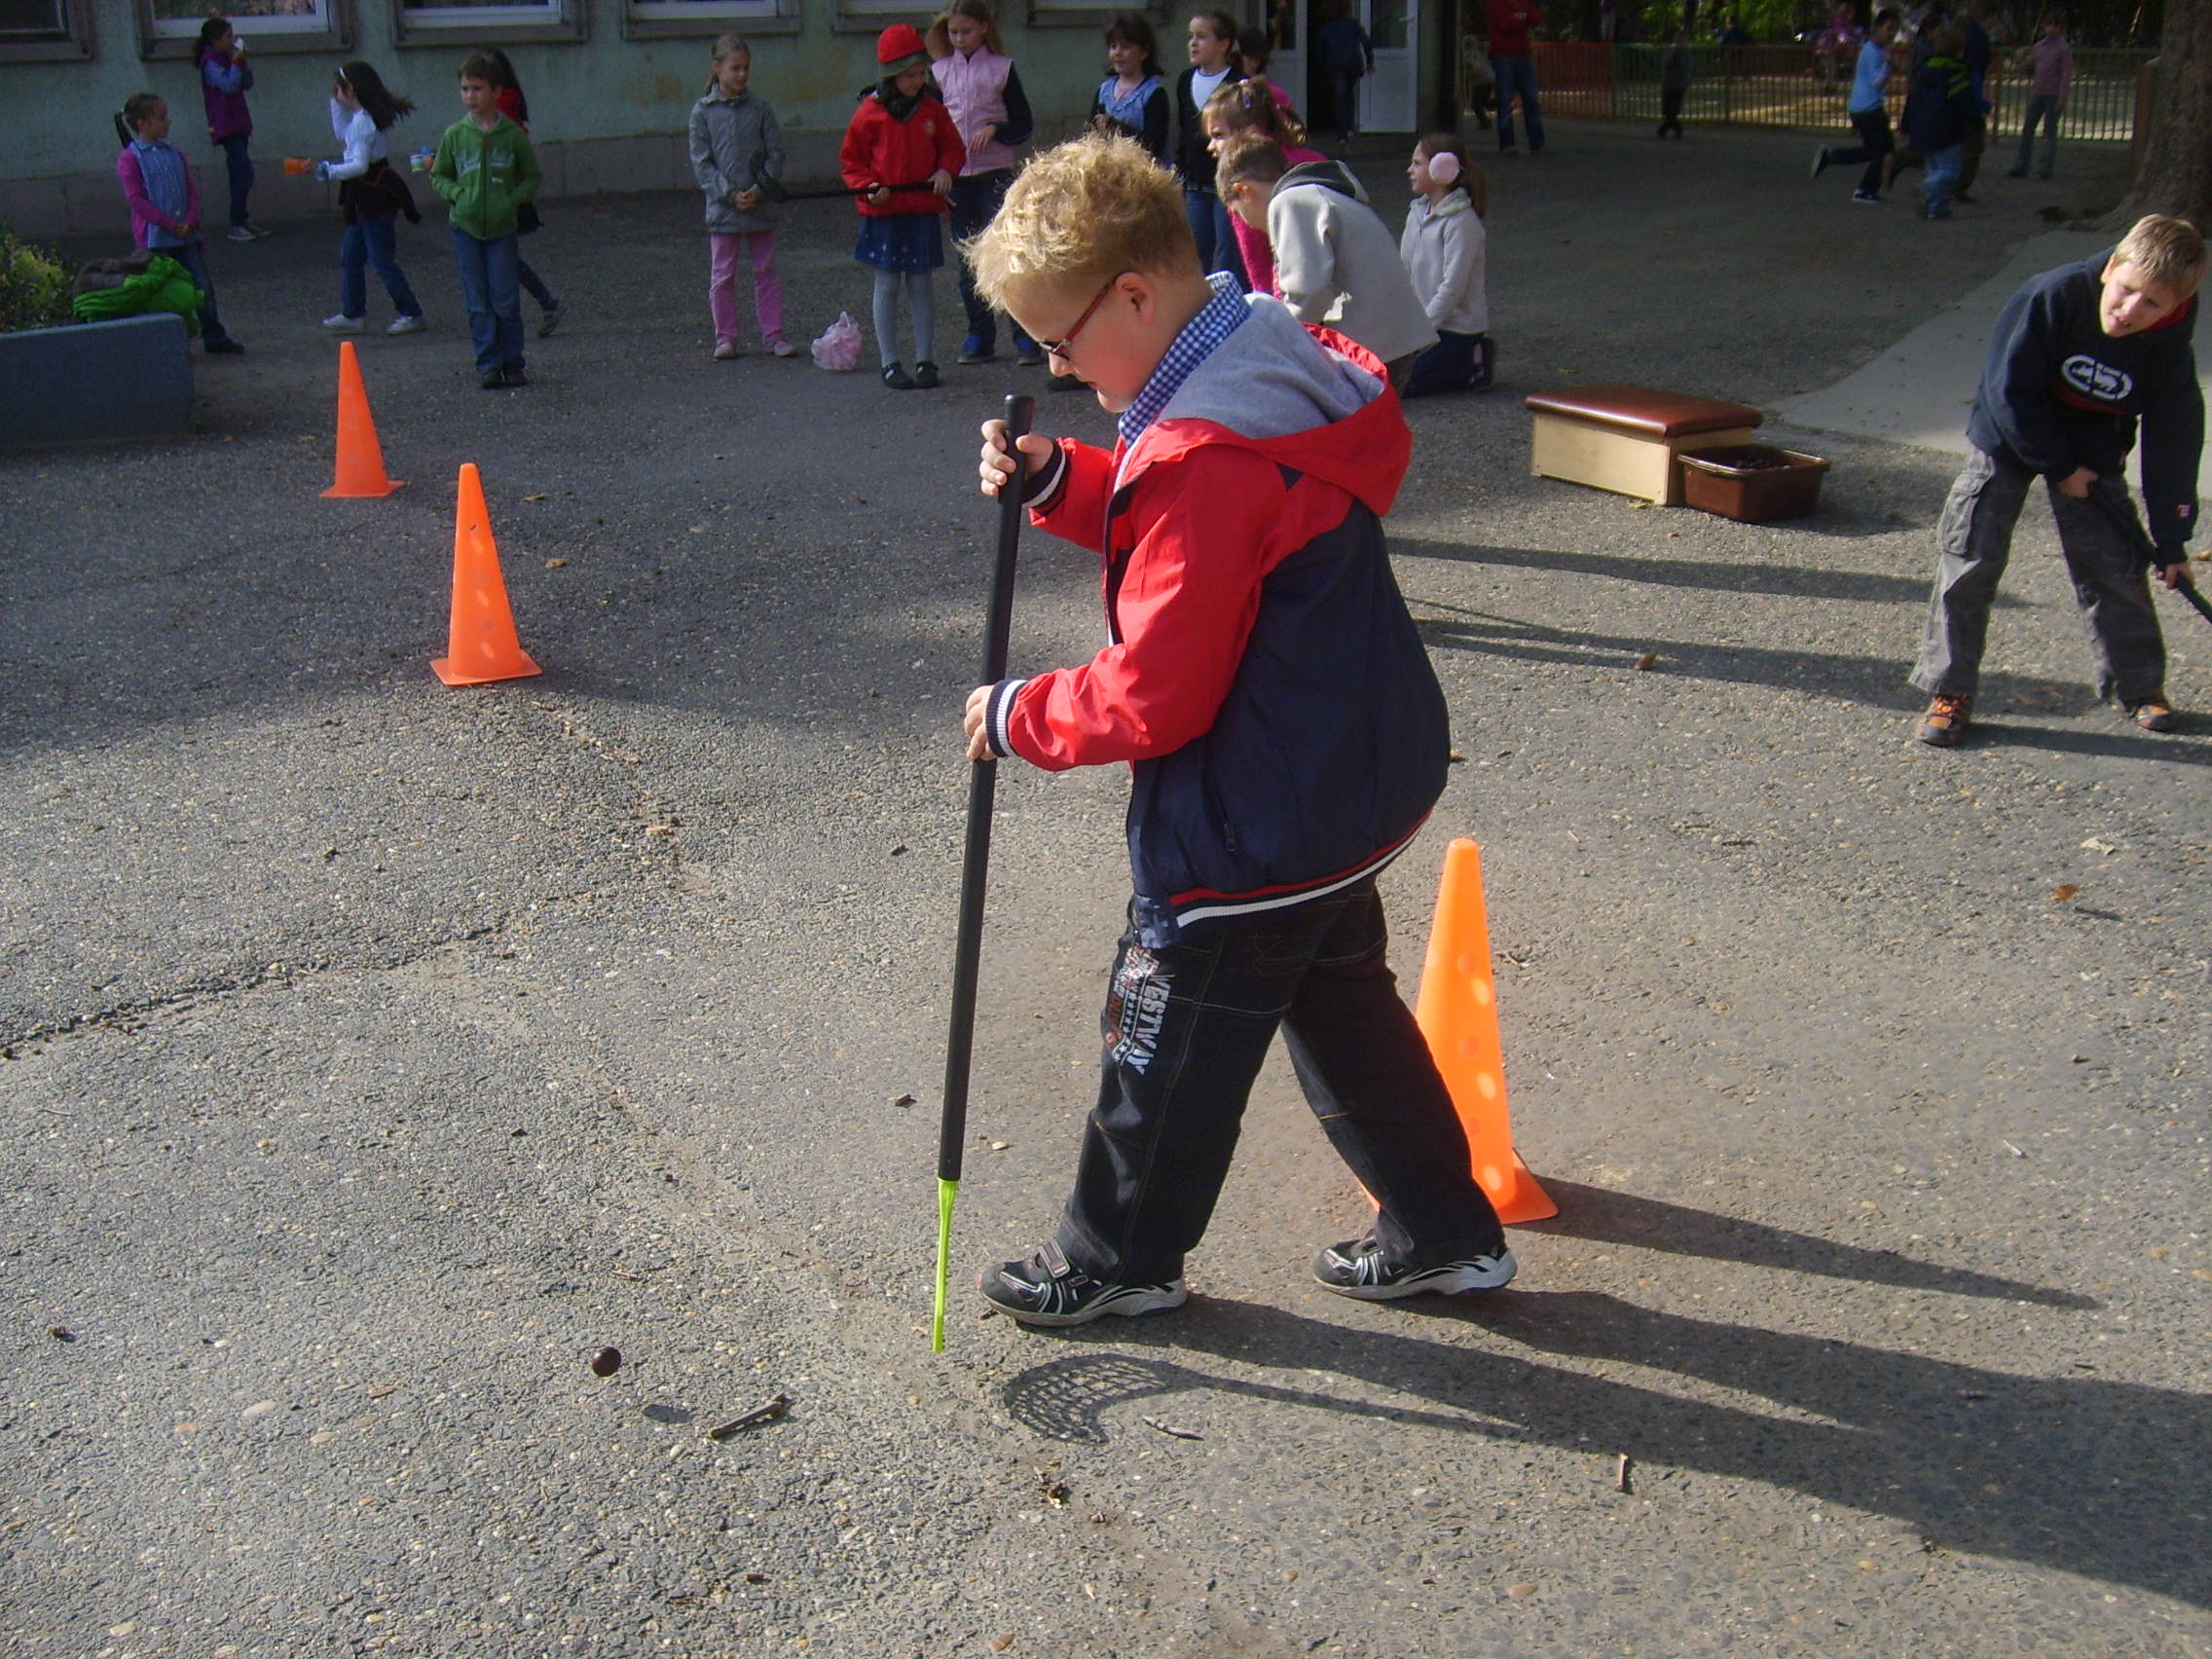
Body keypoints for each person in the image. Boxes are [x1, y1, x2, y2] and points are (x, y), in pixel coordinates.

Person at [960, 132, 1516, 1327]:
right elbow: (1212, 537)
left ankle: (1116, 1257)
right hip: (1342, 774)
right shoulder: (1257, 364)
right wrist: (1065, 480)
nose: (1054, 365)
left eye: (1058, 338)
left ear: (1133, 296)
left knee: (1160, 1035)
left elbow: (1156, 688)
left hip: (1249, 817)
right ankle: (1443, 1233)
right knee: (1342, 1005)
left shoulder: (1205, 451)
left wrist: (1019, 714)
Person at [1910, 215, 2205, 747]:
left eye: (2152, 304)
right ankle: (1949, 689)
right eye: (2126, 290)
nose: (2130, 310)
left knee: (2115, 565)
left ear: (2175, 307)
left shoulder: (2167, 350)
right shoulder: (2050, 295)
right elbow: (2008, 390)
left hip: (2094, 436)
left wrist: (2172, 540)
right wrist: (2059, 467)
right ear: (2111, 267)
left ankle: (2139, 687)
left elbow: (2175, 441)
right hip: (2011, 427)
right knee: (1971, 555)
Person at [1217, 132, 1435, 389]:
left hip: (1370, 347)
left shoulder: (1290, 202)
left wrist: (1274, 348)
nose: (1245, 223)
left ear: (1244, 190)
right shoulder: (1319, 191)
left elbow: (1307, 295)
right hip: (1393, 338)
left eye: (1237, 212)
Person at [838, 23, 963, 389]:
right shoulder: (869, 113)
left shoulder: (932, 110)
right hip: (885, 213)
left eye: (921, 73)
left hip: (920, 207)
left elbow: (952, 147)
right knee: (888, 283)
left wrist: (945, 170)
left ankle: (925, 359)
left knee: (922, 283)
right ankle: (889, 362)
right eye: (910, 75)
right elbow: (852, 161)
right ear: (892, 75)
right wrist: (867, 187)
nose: (917, 81)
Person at [930, 0, 1039, 367]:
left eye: (966, 31)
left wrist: (995, 129)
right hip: (957, 178)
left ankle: (1024, 336)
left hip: (995, 174)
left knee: (1007, 254)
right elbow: (930, 133)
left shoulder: (1001, 69)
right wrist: (939, 179)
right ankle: (979, 334)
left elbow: (1023, 123)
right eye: (953, 32)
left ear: (983, 30)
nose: (959, 39)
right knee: (968, 262)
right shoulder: (939, 73)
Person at [427, 53, 541, 389]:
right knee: (477, 301)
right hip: (466, 227)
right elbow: (439, 174)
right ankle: (488, 364)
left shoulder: (512, 135)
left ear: (496, 91)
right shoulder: (455, 135)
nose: (470, 96)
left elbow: (532, 176)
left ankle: (513, 362)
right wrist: (457, 195)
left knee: (505, 299)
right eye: (465, 89)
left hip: (502, 229)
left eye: (477, 89)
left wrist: (511, 200)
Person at [687, 33, 794, 360]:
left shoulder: (760, 110)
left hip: (760, 204)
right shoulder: (703, 112)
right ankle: (726, 336)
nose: (742, 74)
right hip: (724, 209)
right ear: (717, 67)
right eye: (735, 68)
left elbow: (775, 154)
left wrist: (759, 190)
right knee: (723, 274)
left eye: (746, 68)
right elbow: (702, 163)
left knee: (766, 270)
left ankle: (773, 333)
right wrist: (729, 194)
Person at [113, 92, 244, 354]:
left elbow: (190, 189)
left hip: (186, 236)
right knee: (163, 293)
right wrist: (170, 224)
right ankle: (170, 342)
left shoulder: (174, 153)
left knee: (202, 285)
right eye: (161, 117)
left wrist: (190, 220)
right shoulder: (130, 158)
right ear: (142, 123)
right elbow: (137, 200)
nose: (168, 122)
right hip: (156, 239)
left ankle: (214, 335)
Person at [315, 60, 426, 336]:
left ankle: (411, 312)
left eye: (338, 89)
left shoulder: (364, 122)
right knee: (351, 255)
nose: (335, 93)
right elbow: (342, 133)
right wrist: (335, 100)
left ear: (350, 90)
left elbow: (359, 165)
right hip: (367, 195)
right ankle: (353, 313)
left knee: (381, 260)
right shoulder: (363, 118)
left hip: (373, 195)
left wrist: (329, 171)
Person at [1200, 77, 1324, 297]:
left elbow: (1258, 267)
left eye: (1218, 135)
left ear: (1252, 133)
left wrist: (1269, 304)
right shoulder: (1314, 160)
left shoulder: (1244, 183)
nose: (1211, 147)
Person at [1398, 132, 1491, 395]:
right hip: (1421, 329)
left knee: (1399, 385)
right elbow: (1404, 271)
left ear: (1442, 167)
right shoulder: (1416, 213)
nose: (1409, 170)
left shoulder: (1462, 222)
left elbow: (1452, 288)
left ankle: (1475, 359)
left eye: (1417, 163)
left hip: (1453, 331)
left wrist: (1420, 335)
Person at [480, 49, 563, 338]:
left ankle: (540, 304)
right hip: (504, 188)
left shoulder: (502, 105)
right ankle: (544, 303)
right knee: (500, 256)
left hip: (503, 189)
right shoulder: (507, 100)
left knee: (500, 255)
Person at [1174, 11, 1248, 287]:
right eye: (1190, 37)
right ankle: (1198, 305)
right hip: (1195, 183)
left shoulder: (1239, 84)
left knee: (1229, 254)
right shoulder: (1185, 80)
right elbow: (1183, 132)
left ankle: (1232, 303)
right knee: (1195, 253)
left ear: (1223, 44)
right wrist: (1179, 176)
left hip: (1228, 183)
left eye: (1202, 37)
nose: (1193, 43)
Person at [1809, 7, 1899, 203]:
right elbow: (1876, 82)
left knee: (1872, 150)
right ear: (1878, 27)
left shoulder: (1873, 49)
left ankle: (1831, 156)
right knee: (1884, 151)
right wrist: (1889, 65)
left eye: (1895, 29)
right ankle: (1865, 190)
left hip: (1863, 106)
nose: (1892, 34)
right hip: (1869, 108)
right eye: (1889, 28)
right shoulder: (1873, 51)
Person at [194, 18, 265, 241]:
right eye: (227, 36)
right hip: (225, 123)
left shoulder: (227, 57)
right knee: (244, 172)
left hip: (238, 120)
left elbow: (246, 83)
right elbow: (229, 85)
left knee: (237, 173)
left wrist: (241, 62)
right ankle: (236, 223)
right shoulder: (210, 63)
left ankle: (242, 220)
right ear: (215, 40)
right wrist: (235, 64)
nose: (232, 40)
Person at [1899, 23, 1977, 218]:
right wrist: (1976, 121)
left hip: (1922, 129)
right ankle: (1927, 190)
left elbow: (1912, 99)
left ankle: (1936, 207)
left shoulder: (1924, 73)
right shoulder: (1955, 75)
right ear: (1959, 51)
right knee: (1949, 172)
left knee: (1934, 169)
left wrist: (1906, 125)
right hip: (1946, 130)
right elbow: (1965, 104)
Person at [1090, 13, 1169, 165]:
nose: (1117, 53)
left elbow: (1155, 144)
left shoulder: (1154, 94)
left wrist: (1115, 127)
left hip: (1142, 172)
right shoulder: (1103, 91)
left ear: (1144, 52)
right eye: (1113, 46)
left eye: (1126, 47)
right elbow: (1090, 134)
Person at [2009, 11, 2071, 180]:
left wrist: (2062, 98)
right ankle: (2021, 165)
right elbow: (2031, 68)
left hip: (2054, 94)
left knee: (2049, 132)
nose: (2052, 29)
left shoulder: (2064, 48)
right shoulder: (2039, 47)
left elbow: (2066, 75)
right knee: (2028, 129)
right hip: (2038, 93)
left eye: (2056, 25)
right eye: (2050, 25)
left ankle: (2045, 168)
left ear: (2061, 28)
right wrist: (2022, 62)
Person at [1485, 0, 1545, 156]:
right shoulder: (1496, 3)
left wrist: (1520, 17)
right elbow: (1505, 24)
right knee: (1505, 101)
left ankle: (1537, 144)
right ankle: (1507, 143)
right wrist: (1524, 18)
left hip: (1523, 54)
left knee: (1531, 100)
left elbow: (1537, 18)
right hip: (1503, 55)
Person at [1315, 0, 1373, 145]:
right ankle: (1349, 128)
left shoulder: (1325, 27)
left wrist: (1322, 65)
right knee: (1349, 95)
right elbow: (1366, 41)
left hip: (1336, 66)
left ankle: (1342, 135)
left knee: (1340, 99)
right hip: (1353, 65)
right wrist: (1370, 61)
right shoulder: (1352, 24)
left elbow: (1320, 51)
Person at [1658, 29, 1693, 138]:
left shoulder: (1687, 54)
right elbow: (1665, 64)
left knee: (1674, 109)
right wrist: (1674, 55)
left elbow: (1686, 67)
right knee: (1667, 109)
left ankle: (1668, 129)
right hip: (1668, 83)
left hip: (1680, 85)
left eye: (1683, 40)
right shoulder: (1671, 52)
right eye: (1678, 40)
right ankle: (1672, 128)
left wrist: (1679, 59)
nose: (1680, 43)